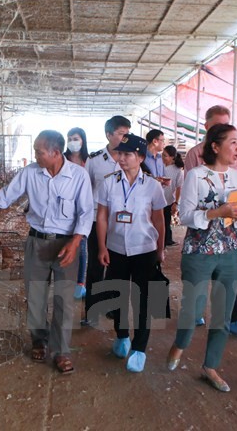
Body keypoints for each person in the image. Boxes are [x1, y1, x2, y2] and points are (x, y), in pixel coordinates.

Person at [0, 130, 93, 375]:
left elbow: (86, 212)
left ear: (56, 153)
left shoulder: (79, 176)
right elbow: (7, 194)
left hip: (66, 245)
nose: (35, 155)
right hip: (37, 242)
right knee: (35, 297)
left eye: (39, 151)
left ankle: (61, 351)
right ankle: (39, 339)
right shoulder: (30, 173)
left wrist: (77, 241)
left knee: (63, 300)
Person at [166, 124, 237, 392]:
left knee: (222, 315)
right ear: (215, 146)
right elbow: (186, 215)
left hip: (230, 252)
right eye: (233, 142)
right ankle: (180, 344)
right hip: (199, 252)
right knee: (193, 310)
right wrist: (217, 212)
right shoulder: (195, 175)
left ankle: (210, 366)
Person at [96, 133, 166, 372]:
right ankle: (122, 335)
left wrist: (161, 249)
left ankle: (139, 347)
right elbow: (102, 215)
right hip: (115, 249)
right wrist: (102, 246)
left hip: (144, 249)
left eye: (127, 155)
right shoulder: (108, 182)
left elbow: (159, 219)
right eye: (120, 154)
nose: (121, 158)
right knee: (118, 296)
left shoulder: (153, 186)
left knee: (143, 299)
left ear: (140, 157)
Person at [184, 105, 237, 333]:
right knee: (197, 292)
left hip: (229, 239)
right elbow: (191, 202)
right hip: (202, 239)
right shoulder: (195, 157)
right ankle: (195, 317)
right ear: (208, 130)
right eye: (218, 126)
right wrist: (215, 212)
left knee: (228, 291)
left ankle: (233, 318)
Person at [81, 115, 130, 327]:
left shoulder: (130, 158)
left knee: (117, 266)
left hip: (121, 222)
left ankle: (111, 306)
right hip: (96, 219)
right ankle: (91, 312)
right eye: (121, 133)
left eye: (128, 133)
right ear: (108, 135)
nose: (125, 137)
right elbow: (85, 190)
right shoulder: (94, 160)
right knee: (95, 266)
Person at [184, 105, 237, 182]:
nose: (223, 130)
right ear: (206, 126)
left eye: (226, 125)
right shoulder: (195, 153)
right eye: (217, 126)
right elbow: (189, 185)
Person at [65, 127, 90, 300]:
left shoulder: (89, 161)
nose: (72, 141)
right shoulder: (62, 159)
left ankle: (80, 282)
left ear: (83, 140)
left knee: (81, 244)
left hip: (84, 208)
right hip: (64, 208)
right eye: (70, 138)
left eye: (76, 138)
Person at [162, 145, 184, 247]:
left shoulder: (178, 170)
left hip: (168, 200)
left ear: (172, 157)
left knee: (166, 221)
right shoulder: (159, 165)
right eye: (162, 155)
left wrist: (176, 203)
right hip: (157, 199)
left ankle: (167, 240)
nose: (162, 157)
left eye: (165, 155)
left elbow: (179, 187)